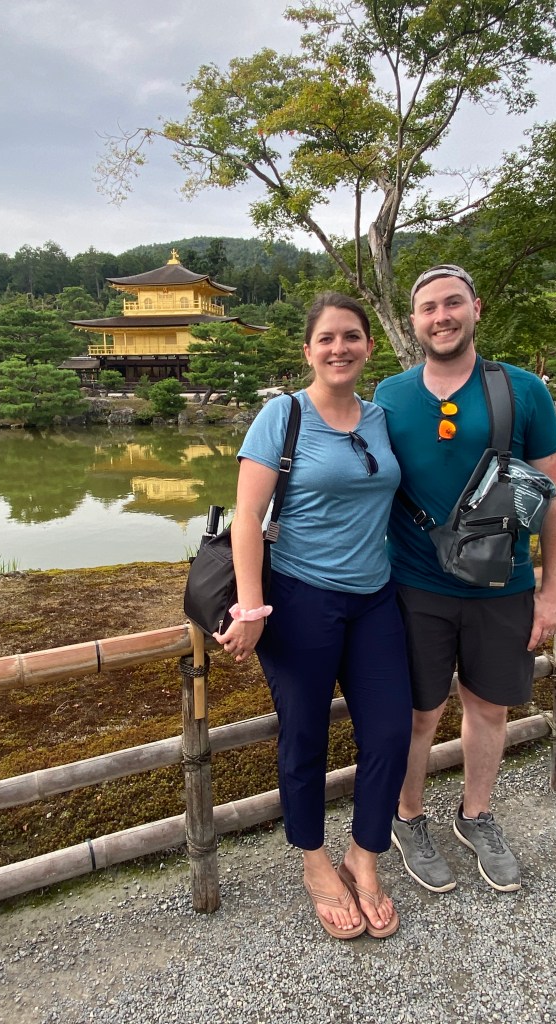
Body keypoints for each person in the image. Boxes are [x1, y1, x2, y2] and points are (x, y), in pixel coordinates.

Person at [214, 292, 412, 940]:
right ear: (308, 350)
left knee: (389, 732)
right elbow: (247, 516)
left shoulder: (381, 418)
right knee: (304, 736)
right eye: (326, 338)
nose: (339, 348)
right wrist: (251, 607)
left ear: (369, 347)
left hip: (375, 596)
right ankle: (314, 861)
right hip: (302, 598)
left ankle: (364, 854)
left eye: (350, 336)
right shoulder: (283, 414)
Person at [373, 264, 556, 894]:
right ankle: (408, 817)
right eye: (429, 307)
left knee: (489, 707)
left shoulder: (522, 390)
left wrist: (552, 590)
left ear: (476, 308)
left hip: (502, 583)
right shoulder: (389, 395)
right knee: (418, 713)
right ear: (413, 321)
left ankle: (476, 815)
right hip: (414, 584)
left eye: (453, 303)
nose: (442, 317)